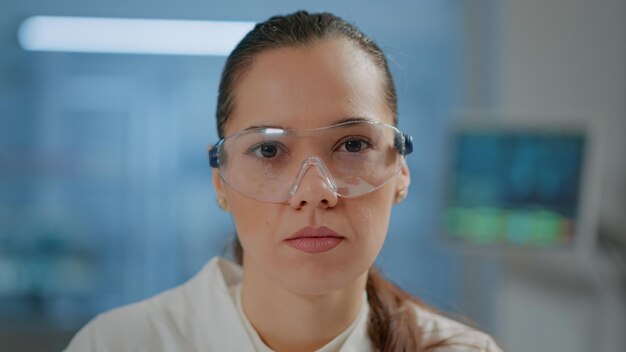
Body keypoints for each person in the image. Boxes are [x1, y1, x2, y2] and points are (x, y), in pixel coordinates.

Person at [65, 11, 502, 352]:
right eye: (269, 150)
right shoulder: (116, 344)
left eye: (351, 145)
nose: (315, 192)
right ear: (221, 181)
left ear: (400, 172)